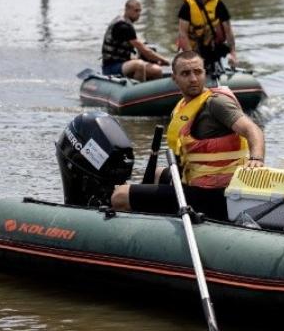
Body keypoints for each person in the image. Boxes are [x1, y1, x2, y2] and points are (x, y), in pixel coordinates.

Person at [111, 50, 265, 220]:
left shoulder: (217, 103)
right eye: (185, 73)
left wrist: (256, 159)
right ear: (174, 78)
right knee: (156, 173)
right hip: (195, 184)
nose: (193, 79)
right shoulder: (181, 107)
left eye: (198, 72)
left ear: (205, 74)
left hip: (215, 195)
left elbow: (252, 130)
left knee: (120, 196)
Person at [176, 0, 238, 70]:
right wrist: (192, 58)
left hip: (209, 46)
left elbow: (228, 30)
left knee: (221, 53)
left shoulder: (218, 4)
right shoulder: (188, 5)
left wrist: (233, 54)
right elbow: (182, 34)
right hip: (191, 48)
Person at [101, 0, 170, 80]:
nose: (138, 14)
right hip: (111, 66)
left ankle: (154, 91)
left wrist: (154, 60)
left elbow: (140, 49)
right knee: (139, 65)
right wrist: (164, 60)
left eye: (139, 11)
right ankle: (138, 90)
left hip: (123, 63)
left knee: (157, 70)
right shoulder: (123, 26)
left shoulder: (127, 24)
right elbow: (144, 50)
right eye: (136, 11)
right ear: (127, 10)